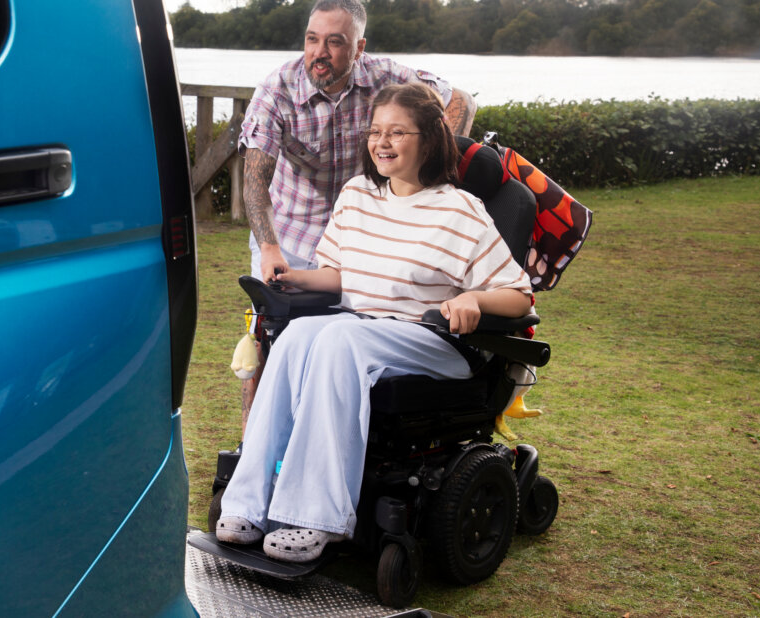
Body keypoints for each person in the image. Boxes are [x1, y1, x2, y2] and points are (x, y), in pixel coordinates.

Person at [216, 82, 532, 563]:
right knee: (298, 335)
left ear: (428, 140)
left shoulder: (460, 210)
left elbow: (519, 296)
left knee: (341, 336)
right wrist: (291, 276)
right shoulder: (357, 195)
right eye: (376, 132)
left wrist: (472, 297)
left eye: (397, 133)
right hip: (363, 327)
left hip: (432, 339)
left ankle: (314, 516)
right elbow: (342, 276)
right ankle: (249, 503)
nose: (382, 142)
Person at [239, 0, 476, 428]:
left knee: (347, 340)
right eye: (312, 39)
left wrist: (434, 170)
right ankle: (251, 443)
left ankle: (340, 437)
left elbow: (458, 99)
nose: (320, 52)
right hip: (290, 231)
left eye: (334, 42)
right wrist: (270, 247)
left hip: (365, 231)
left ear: (359, 47)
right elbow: (255, 179)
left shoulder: (388, 77)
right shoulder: (277, 89)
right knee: (266, 334)